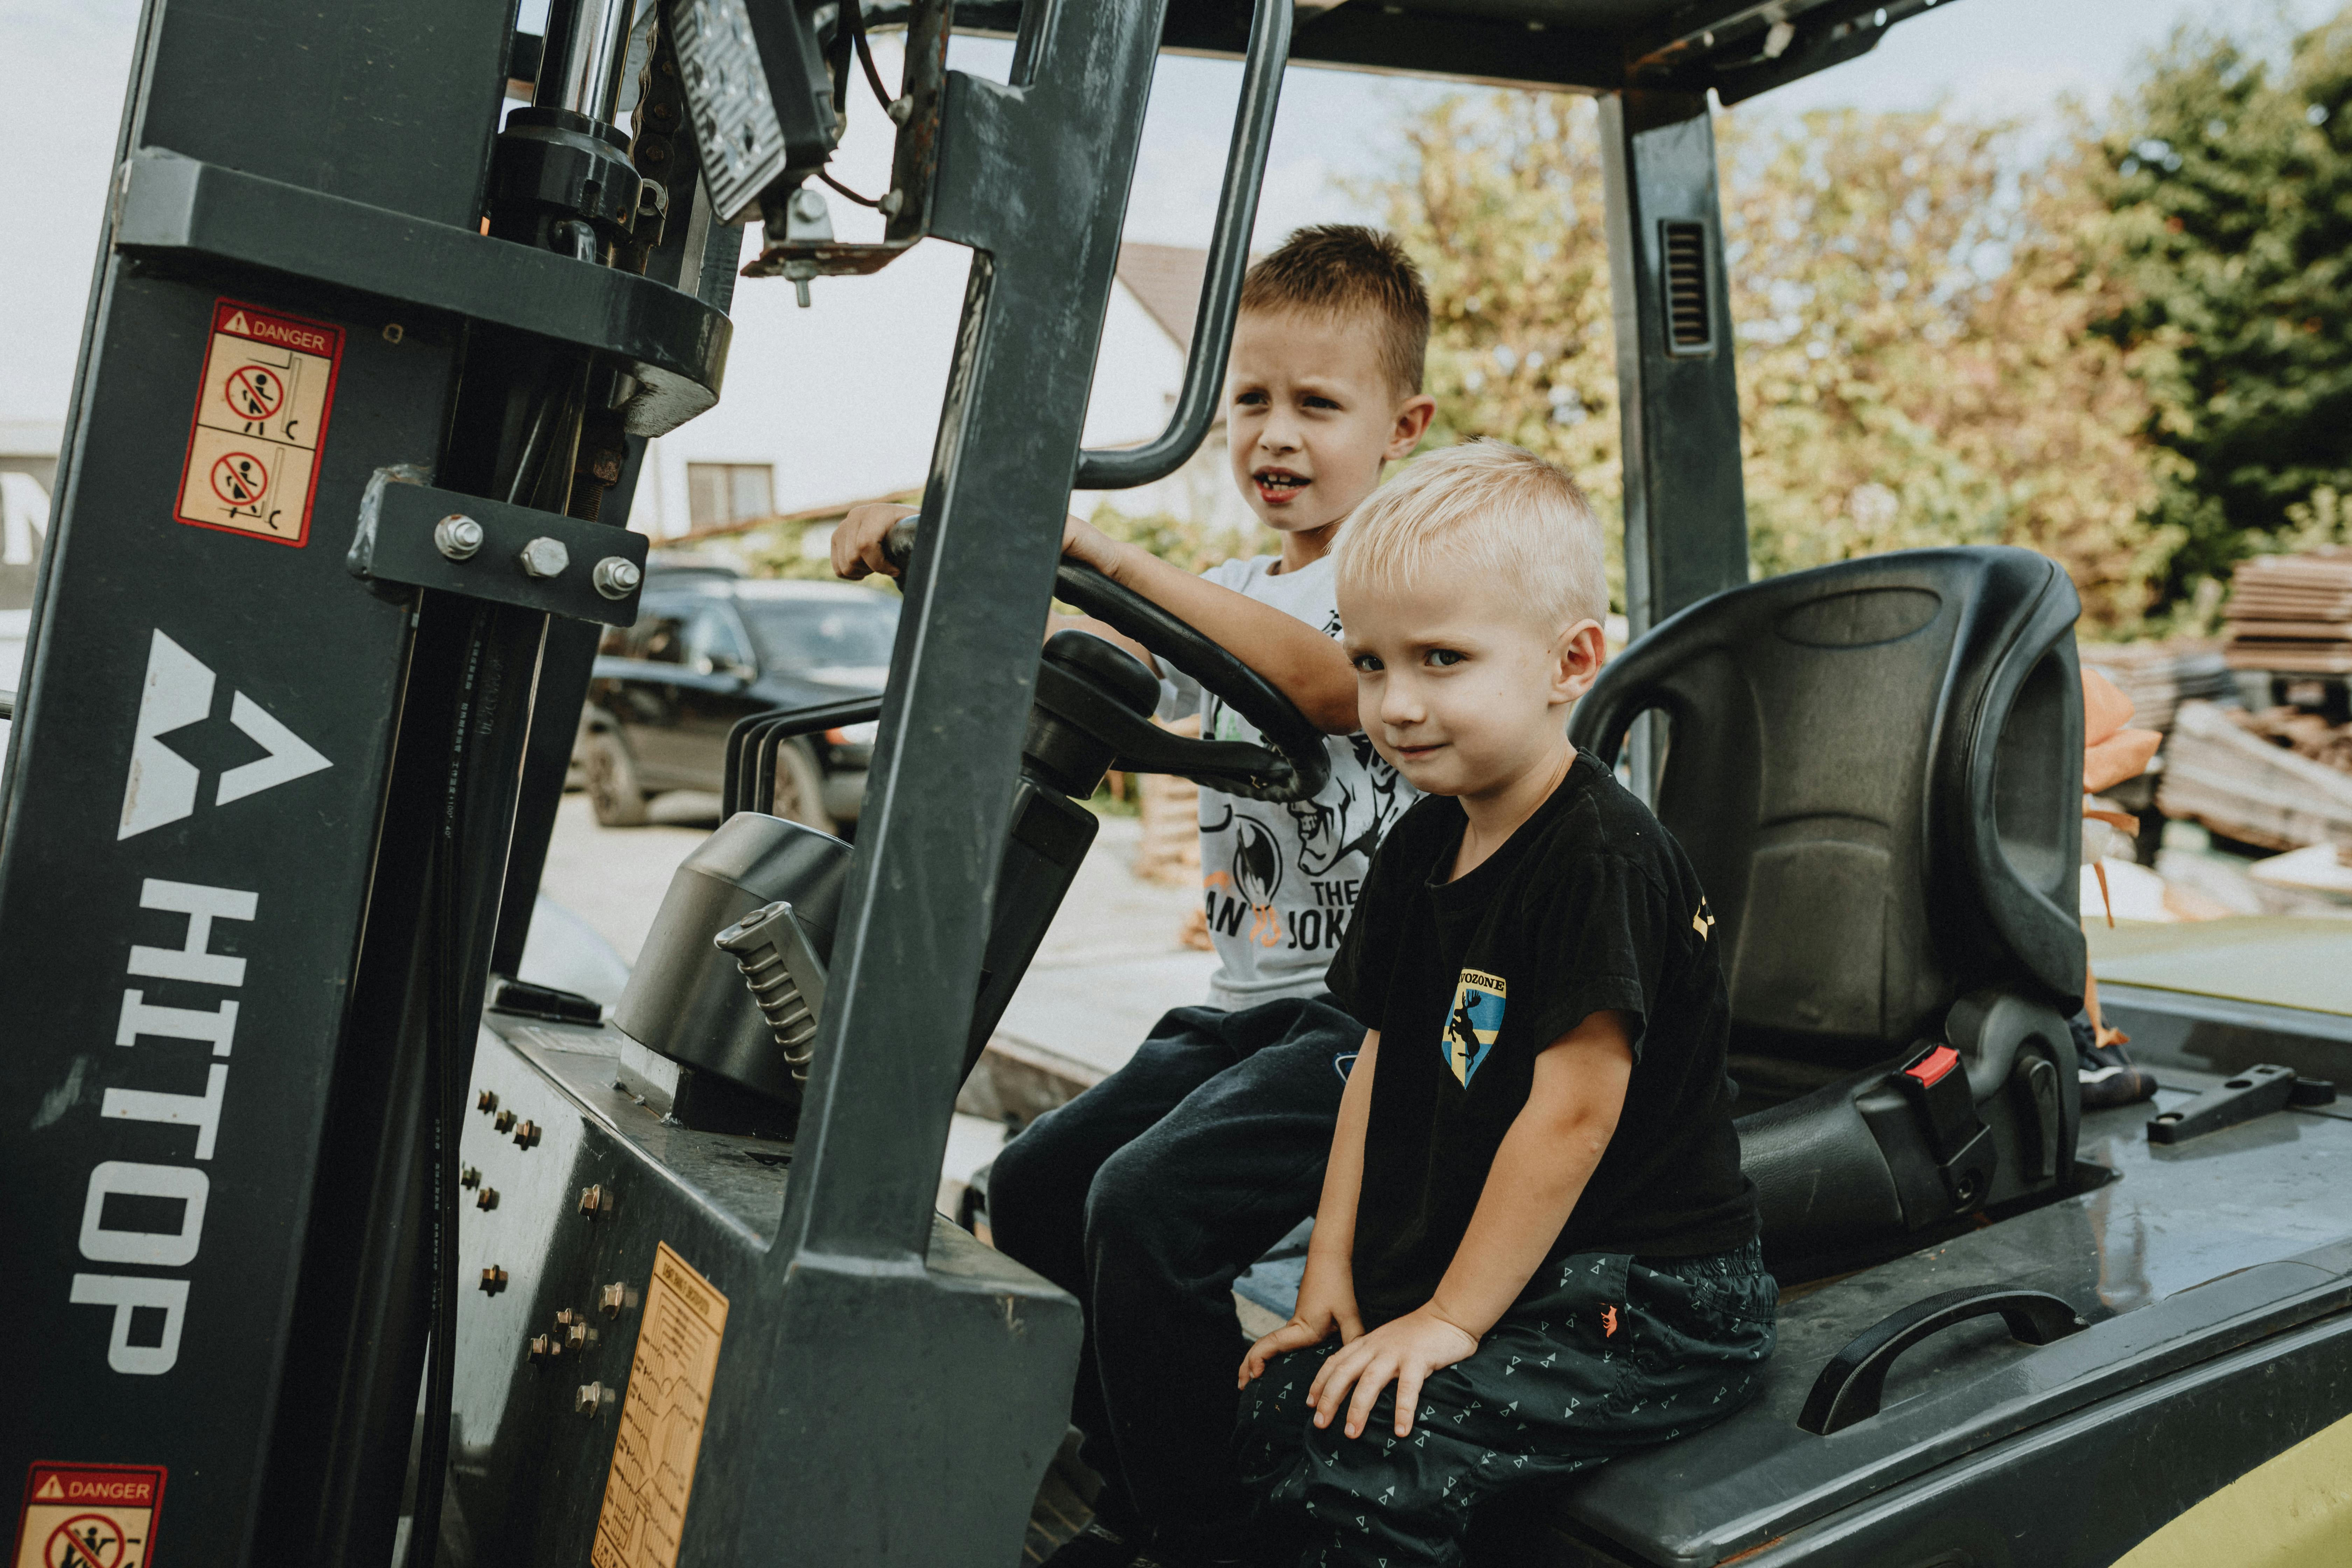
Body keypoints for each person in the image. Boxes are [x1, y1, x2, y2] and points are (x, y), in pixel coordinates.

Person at [831, 226, 1437, 1567]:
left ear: (1405, 425)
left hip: (1388, 1024)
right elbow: (1110, 658)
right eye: (1251, 403)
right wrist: (952, 548)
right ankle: (1141, 1480)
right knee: (1040, 1185)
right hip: (1253, 1012)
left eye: (1317, 405)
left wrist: (1100, 543)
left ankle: (1204, 1538)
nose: (1275, 436)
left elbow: (1328, 681)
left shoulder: (1415, 568)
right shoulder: (1230, 590)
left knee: (1150, 1209)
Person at [1234, 441, 1776, 1567]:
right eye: (1373, 663)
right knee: (1280, 1407)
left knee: (1377, 1460)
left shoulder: (1600, 858)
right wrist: (1329, 1268)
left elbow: (1573, 1117)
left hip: (1647, 1297)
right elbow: (1376, 1069)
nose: (1397, 704)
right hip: (1521, 1272)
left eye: (1442, 659)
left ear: (1570, 660)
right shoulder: (1425, 838)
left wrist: (1446, 1322)